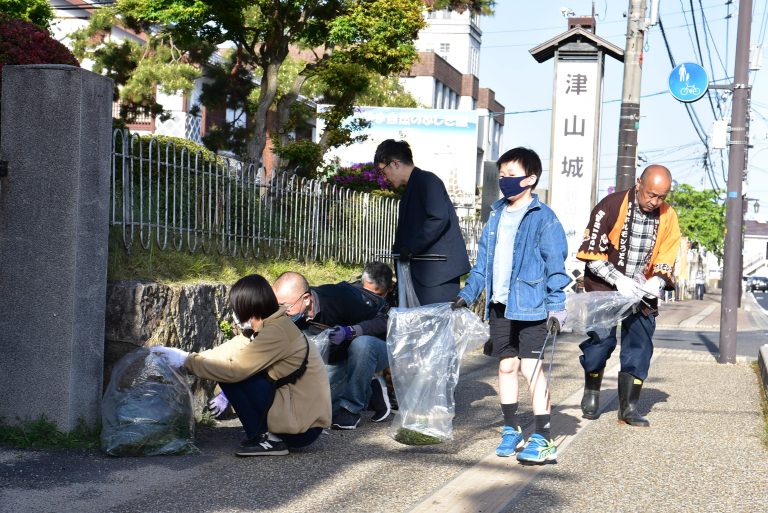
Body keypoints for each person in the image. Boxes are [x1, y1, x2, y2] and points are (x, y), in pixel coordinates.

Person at [451, 147, 569, 465]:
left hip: (532, 306)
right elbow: (483, 264)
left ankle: (544, 437)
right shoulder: (496, 213)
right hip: (500, 305)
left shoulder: (544, 219)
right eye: (501, 175)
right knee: (506, 366)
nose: (504, 181)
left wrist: (557, 305)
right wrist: (468, 292)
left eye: (511, 175)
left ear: (529, 179)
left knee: (531, 368)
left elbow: (556, 265)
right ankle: (510, 428)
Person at [151, 274, 331, 456]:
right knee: (226, 370)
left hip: (303, 430)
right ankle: (265, 436)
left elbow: (233, 370)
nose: (236, 315)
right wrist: (185, 359)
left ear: (247, 308)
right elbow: (224, 352)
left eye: (237, 309)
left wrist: (185, 361)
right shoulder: (268, 327)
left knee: (231, 375)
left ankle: (267, 440)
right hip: (299, 419)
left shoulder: (277, 332)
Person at [575, 164, 681, 428]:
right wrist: (617, 279)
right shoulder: (610, 206)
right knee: (600, 342)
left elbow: (668, 253)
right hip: (606, 284)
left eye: (661, 197)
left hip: (643, 290)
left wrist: (658, 278)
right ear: (638, 184)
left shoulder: (668, 216)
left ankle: (629, 407)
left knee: (640, 345)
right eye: (651, 195)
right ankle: (591, 388)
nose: (655, 201)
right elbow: (592, 257)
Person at [272, 264, 392, 430]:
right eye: (278, 306)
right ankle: (371, 389)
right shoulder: (293, 311)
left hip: (378, 348)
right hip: (342, 359)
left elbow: (387, 320)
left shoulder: (340, 297)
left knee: (361, 344)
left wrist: (352, 331)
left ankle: (351, 409)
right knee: (319, 410)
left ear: (306, 299)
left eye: (286, 306)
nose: (282, 312)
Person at [374, 139, 470, 304]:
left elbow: (438, 218)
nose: (384, 178)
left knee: (436, 326)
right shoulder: (412, 187)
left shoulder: (427, 180)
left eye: (383, 171)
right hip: (425, 273)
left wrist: (411, 247)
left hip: (437, 275)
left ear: (395, 163)